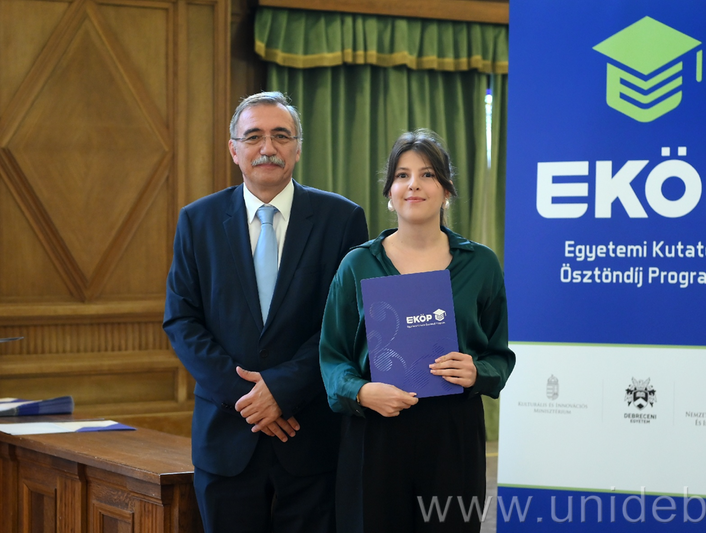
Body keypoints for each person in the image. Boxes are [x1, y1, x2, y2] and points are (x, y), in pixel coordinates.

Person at [163, 91, 369, 533]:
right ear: (234, 149)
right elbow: (182, 320)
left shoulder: (342, 219)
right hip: (226, 437)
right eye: (253, 136)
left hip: (311, 436)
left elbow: (348, 323)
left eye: (281, 136)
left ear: (298, 147)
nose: (267, 148)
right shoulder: (197, 221)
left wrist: (282, 390)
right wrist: (252, 401)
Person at [319, 129, 515, 532]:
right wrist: (360, 392)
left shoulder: (480, 264)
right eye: (402, 175)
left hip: (453, 433)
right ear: (389, 193)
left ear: (447, 190)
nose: (414, 184)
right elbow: (332, 356)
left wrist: (477, 372)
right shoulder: (357, 265)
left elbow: (499, 355)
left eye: (427, 174)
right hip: (375, 430)